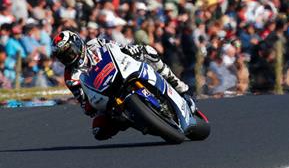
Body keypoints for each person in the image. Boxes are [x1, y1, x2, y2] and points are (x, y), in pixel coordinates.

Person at [51, 30, 191, 140]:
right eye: (63, 56)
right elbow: (83, 102)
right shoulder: (70, 76)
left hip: (122, 71)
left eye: (69, 52)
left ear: (77, 43)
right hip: (106, 95)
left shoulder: (95, 43)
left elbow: (118, 48)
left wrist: (131, 51)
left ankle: (177, 85)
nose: (68, 57)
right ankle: (135, 120)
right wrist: (89, 107)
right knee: (99, 131)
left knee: (148, 51)